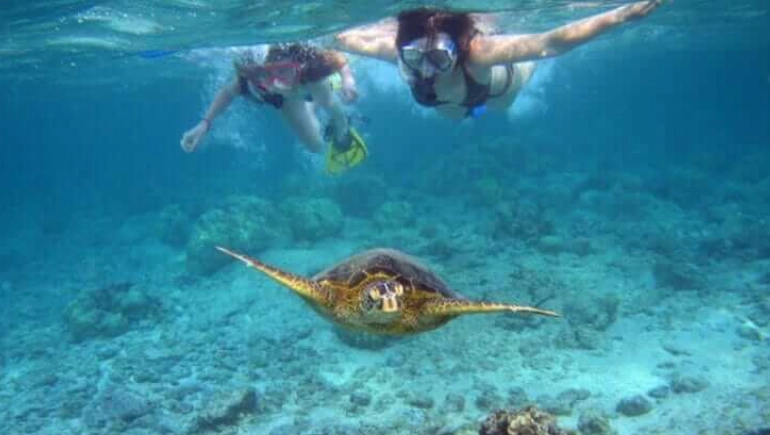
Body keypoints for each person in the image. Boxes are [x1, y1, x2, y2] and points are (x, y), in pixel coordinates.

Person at [333, 1, 661, 120]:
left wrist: (618, 16)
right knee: (452, 117)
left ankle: (528, 79)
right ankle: (469, 114)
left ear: (457, 51)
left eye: (438, 58)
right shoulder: (398, 56)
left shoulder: (479, 53)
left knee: (514, 89)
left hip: (500, 89)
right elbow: (346, 39)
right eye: (416, 56)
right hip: (452, 105)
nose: (426, 69)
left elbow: (550, 43)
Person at [180, 43, 368, 174]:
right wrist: (204, 124)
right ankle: (309, 107)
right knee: (316, 146)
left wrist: (348, 81)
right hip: (286, 101)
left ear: (294, 65)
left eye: (281, 70)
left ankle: (339, 121)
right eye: (264, 74)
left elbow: (339, 60)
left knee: (329, 102)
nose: (276, 82)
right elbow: (227, 93)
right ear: (254, 74)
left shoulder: (310, 66)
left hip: (305, 84)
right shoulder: (248, 81)